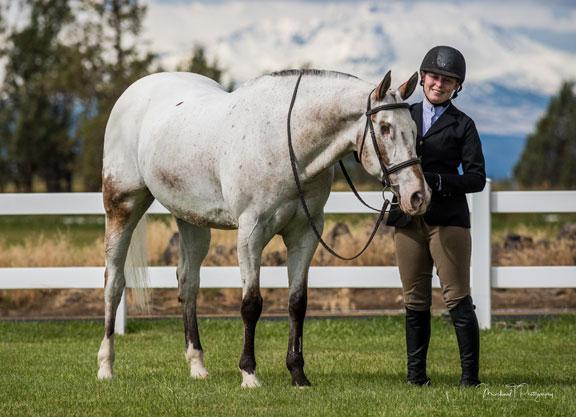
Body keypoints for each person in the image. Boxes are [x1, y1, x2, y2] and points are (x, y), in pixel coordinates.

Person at [387, 45, 486, 387]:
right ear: (423, 77)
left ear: (457, 87)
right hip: (406, 221)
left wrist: (438, 182)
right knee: (414, 300)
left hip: (447, 220)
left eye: (448, 80)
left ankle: (469, 379)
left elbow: (475, 178)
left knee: (457, 297)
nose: (439, 84)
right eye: (434, 76)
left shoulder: (464, 125)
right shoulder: (403, 114)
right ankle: (416, 378)